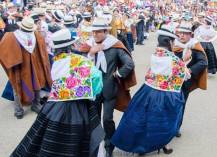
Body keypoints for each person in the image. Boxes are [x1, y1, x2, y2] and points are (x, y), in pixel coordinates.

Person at [11, 28, 104, 157]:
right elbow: (97, 85)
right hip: (78, 106)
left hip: (54, 105)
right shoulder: (80, 61)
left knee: (44, 139)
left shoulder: (55, 62)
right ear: (70, 45)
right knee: (78, 141)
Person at [112, 24, 188, 155]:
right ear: (170, 42)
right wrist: (185, 63)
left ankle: (140, 145)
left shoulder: (155, 55)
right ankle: (158, 144)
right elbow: (185, 76)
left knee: (142, 119)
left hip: (148, 90)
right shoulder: (175, 60)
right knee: (161, 122)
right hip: (165, 94)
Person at [87, 18, 136, 157]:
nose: (95, 34)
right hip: (92, 90)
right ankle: (96, 144)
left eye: (98, 32)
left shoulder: (114, 45)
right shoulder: (88, 45)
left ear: (105, 31)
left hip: (110, 89)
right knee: (94, 119)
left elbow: (129, 63)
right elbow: (80, 66)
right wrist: (91, 53)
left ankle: (109, 144)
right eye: (93, 31)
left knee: (107, 119)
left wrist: (118, 74)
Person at [0, 17, 52, 119]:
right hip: (25, 65)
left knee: (21, 86)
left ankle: (21, 110)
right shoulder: (34, 35)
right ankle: (30, 106)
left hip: (25, 65)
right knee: (28, 85)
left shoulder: (12, 36)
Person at [174, 22, 208, 137]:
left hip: (185, 82)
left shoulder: (195, 45)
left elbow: (203, 62)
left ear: (190, 35)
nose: (181, 36)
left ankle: (176, 127)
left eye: (185, 33)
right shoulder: (173, 44)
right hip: (169, 80)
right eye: (180, 33)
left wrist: (190, 70)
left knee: (180, 104)